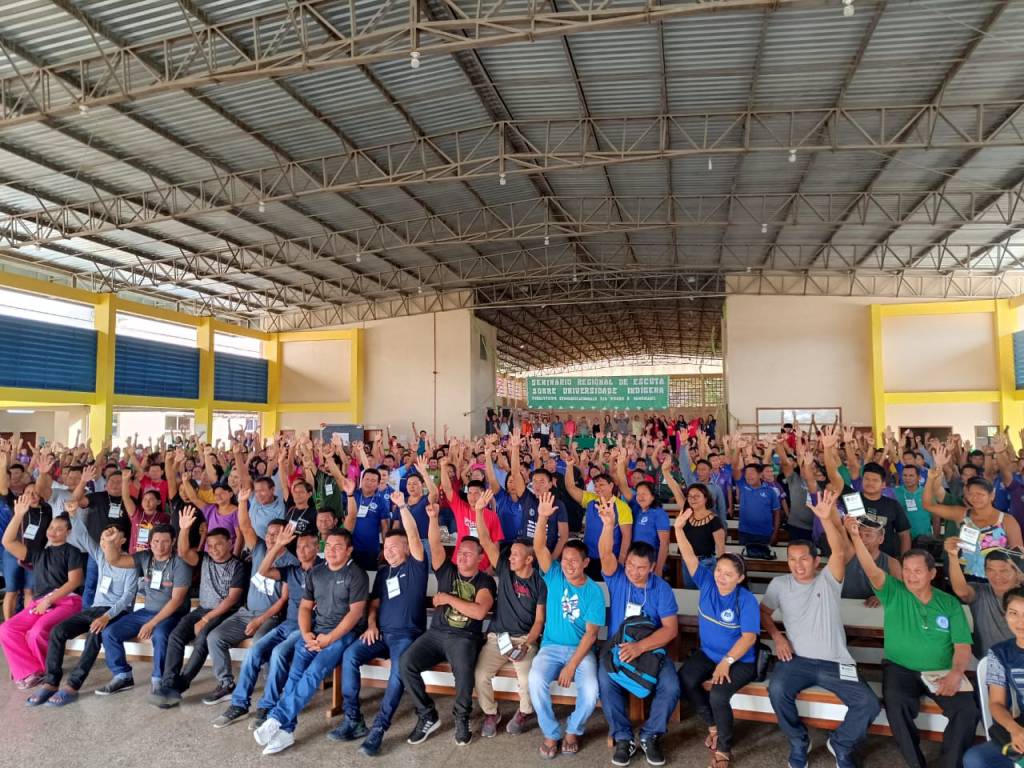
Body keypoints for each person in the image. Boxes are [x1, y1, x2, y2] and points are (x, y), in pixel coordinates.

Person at [759, 490, 881, 768]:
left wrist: (827, 518)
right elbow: (764, 613)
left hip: (836, 662)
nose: (797, 565)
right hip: (797, 661)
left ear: (816, 561)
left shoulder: (829, 580)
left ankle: (841, 744)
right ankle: (798, 741)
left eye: (804, 559)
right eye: (792, 559)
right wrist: (778, 637)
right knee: (777, 690)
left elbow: (839, 552)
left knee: (869, 704)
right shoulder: (779, 585)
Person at [845, 516, 978, 768]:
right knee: (896, 703)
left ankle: (950, 764)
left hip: (942, 670)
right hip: (900, 668)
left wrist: (956, 673)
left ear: (932, 573)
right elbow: (871, 568)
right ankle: (916, 764)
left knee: (967, 711)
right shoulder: (893, 591)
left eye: (917, 571)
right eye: (906, 570)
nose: (910, 576)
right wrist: (855, 537)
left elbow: (962, 646)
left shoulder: (949, 603)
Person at [252, 527, 369, 755]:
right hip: (316, 633)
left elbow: (355, 614)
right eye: (329, 546)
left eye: (338, 547)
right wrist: (306, 633)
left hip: (344, 634)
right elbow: (305, 607)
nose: (332, 551)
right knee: (295, 675)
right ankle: (286, 731)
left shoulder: (356, 574)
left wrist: (329, 638)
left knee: (314, 672)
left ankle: (276, 718)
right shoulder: (317, 572)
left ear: (349, 550)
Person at [330, 493, 428, 756]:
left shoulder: (417, 567)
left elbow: (414, 536)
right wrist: (371, 624)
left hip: (407, 636)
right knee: (350, 655)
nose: (389, 551)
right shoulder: (384, 572)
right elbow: (373, 604)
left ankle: (379, 728)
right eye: (386, 547)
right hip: (380, 634)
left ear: (406, 548)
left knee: (398, 671)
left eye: (395, 547)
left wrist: (403, 507)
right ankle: (353, 719)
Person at [400, 494, 496, 747]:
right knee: (406, 663)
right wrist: (433, 518)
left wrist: (448, 599)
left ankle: (461, 718)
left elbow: (479, 612)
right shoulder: (447, 571)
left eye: (468, 554)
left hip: (464, 637)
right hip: (435, 635)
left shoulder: (484, 581)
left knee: (464, 672)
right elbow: (435, 545)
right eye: (460, 552)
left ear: (480, 558)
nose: (462, 557)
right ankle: (427, 714)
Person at [595, 500, 680, 767]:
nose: (634, 571)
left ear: (652, 567)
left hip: (650, 649)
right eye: (631, 565)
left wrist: (640, 647)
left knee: (671, 686)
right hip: (617, 647)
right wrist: (608, 525)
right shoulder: (618, 577)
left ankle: (650, 734)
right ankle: (623, 737)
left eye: (641, 567)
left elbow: (671, 629)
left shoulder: (661, 588)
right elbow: (605, 554)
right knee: (605, 680)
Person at [674, 507, 759, 768]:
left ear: (740, 578)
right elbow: (689, 556)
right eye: (719, 570)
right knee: (685, 679)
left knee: (719, 695)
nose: (721, 576)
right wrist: (678, 529)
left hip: (740, 660)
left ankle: (724, 749)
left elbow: (749, 638)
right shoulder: (708, 583)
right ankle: (713, 726)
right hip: (709, 653)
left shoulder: (746, 599)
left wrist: (727, 662)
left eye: (728, 574)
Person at [213, 524, 318, 729]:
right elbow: (263, 571)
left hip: (306, 628)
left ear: (316, 548)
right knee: (254, 651)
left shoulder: (323, 570)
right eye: (299, 546)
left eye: (307, 546)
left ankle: (267, 706)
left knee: (278, 653)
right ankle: (239, 704)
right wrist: (278, 545)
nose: (302, 550)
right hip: (287, 624)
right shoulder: (292, 570)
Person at [27, 512, 138, 706]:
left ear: (122, 541)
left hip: (116, 612)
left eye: (112, 538)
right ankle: (51, 682)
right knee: (58, 631)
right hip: (94, 610)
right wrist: (73, 515)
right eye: (104, 538)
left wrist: (107, 616)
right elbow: (85, 536)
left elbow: (127, 598)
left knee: (95, 634)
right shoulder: (101, 557)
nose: (106, 542)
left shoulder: (130, 563)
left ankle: (73, 685)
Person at [527, 493, 604, 758]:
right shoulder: (555, 576)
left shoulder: (594, 592)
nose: (568, 565)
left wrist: (571, 665)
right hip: (550, 648)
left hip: (581, 652)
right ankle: (551, 732)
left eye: (574, 560)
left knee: (591, 690)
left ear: (585, 563)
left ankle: (573, 729)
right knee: (535, 679)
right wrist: (542, 518)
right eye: (565, 559)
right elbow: (539, 547)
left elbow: (591, 635)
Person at [149, 507, 246, 707]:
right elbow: (183, 552)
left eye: (218, 544)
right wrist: (184, 529)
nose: (214, 549)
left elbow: (232, 599)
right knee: (175, 636)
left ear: (230, 543)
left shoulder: (239, 566)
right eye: (210, 545)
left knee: (202, 639)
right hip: (202, 609)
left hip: (224, 612)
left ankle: (180, 685)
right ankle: (168, 684)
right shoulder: (205, 559)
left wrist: (206, 619)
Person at [471, 488, 546, 739]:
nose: (510, 557)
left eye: (516, 555)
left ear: (529, 560)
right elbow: (485, 541)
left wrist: (527, 643)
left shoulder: (539, 582)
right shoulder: (504, 568)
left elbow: (539, 620)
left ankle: (524, 712)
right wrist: (479, 511)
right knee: (481, 674)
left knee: (526, 678)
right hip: (498, 637)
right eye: (511, 554)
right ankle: (491, 713)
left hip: (524, 638)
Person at [202, 498, 291, 705]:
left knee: (261, 642)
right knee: (215, 637)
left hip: (271, 617)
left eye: (276, 534)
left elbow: (284, 600)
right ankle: (226, 684)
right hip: (246, 612)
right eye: (268, 534)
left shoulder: (291, 561)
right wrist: (242, 501)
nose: (271, 538)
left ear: (286, 536)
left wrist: (260, 620)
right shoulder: (259, 549)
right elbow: (245, 526)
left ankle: (273, 688)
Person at [0, 496, 84, 690]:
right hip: (40, 603)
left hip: (68, 602)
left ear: (68, 532)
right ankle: (31, 671)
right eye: (51, 527)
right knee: (6, 629)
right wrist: (18, 515)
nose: (53, 531)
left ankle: (42, 671)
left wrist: (49, 600)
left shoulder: (72, 551)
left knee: (37, 632)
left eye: (59, 529)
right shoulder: (38, 553)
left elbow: (75, 582)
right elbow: (8, 542)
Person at [97, 523, 191, 695]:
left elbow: (177, 600)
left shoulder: (180, 563)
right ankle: (122, 675)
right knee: (110, 632)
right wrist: (110, 542)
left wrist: (152, 623)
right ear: (150, 542)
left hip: (172, 614)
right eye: (156, 541)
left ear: (173, 542)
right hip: (147, 612)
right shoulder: (145, 557)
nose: (160, 546)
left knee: (160, 635)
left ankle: (159, 680)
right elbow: (114, 560)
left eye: (165, 541)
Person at [924, 445, 1022, 580]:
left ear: (992, 495)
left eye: (980, 494)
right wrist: (931, 477)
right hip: (964, 578)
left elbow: (1018, 555)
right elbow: (928, 505)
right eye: (971, 494)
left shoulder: (1006, 520)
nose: (975, 498)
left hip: (997, 581)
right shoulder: (962, 514)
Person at [963, 587, 1024, 767]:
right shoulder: (999, 653)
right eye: (1013, 613)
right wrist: (1015, 729)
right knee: (975, 759)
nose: (1021, 621)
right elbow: (996, 703)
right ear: (1005, 615)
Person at [945, 539, 1021, 658]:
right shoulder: (980, 591)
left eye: (1004, 571)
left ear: (1017, 572)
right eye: (991, 570)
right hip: (984, 662)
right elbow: (961, 591)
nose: (997, 576)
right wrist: (952, 556)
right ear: (984, 572)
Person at [563, 457, 633, 580]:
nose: (598, 488)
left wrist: (621, 560)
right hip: (589, 556)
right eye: (595, 486)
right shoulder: (591, 499)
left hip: (610, 557)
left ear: (611, 485)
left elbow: (626, 536)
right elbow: (570, 487)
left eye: (601, 485)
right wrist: (569, 466)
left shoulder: (622, 507)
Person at [614, 453, 672, 578]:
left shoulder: (659, 514)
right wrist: (620, 464)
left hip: (650, 563)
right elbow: (623, 486)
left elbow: (664, 544)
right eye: (638, 494)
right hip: (634, 560)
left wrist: (659, 568)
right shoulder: (636, 507)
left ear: (653, 496)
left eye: (644, 494)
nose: (640, 497)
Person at [841, 513, 902, 604]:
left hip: (877, 611)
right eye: (859, 534)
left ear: (881, 539)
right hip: (845, 607)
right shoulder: (847, 556)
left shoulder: (892, 563)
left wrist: (882, 597)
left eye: (868, 535)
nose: (862, 539)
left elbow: (899, 592)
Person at [341, 468, 390, 572]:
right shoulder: (351, 495)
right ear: (361, 481)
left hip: (371, 549)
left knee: (369, 576)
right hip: (350, 547)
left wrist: (386, 548)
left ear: (378, 484)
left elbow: (385, 526)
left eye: (373, 480)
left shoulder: (381, 501)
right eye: (366, 479)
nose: (369, 483)